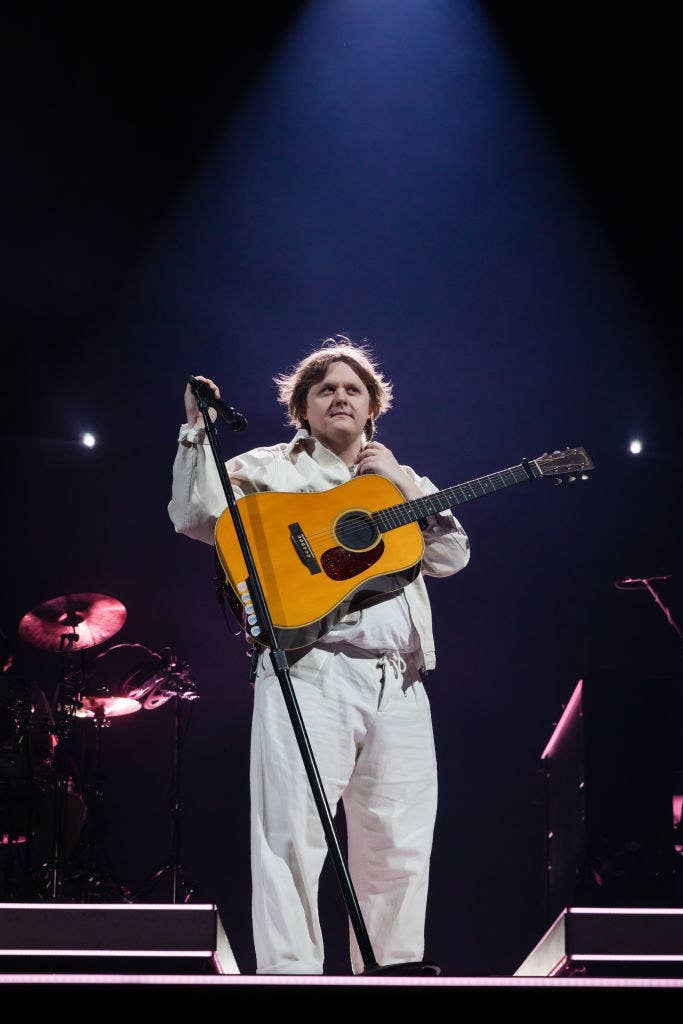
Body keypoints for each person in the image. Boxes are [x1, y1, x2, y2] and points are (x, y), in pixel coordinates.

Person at [168, 337, 470, 974]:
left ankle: (391, 972)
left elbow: (451, 556)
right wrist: (196, 435)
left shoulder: (399, 481)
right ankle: (291, 979)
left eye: (352, 389)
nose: (339, 397)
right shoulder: (271, 468)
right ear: (301, 408)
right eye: (325, 389)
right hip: (310, 667)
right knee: (292, 838)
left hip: (401, 680)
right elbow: (197, 515)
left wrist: (398, 481)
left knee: (399, 842)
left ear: (371, 409)